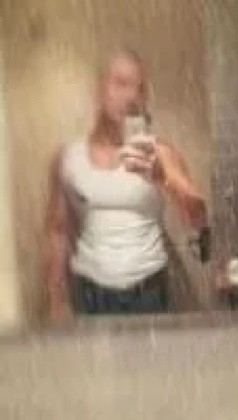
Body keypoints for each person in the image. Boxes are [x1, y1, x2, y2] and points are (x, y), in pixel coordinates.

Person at [43, 48, 208, 321]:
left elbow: (198, 218)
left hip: (148, 289)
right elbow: (57, 231)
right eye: (121, 84)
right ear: (100, 91)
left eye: (139, 89)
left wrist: (163, 177)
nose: (131, 96)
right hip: (89, 290)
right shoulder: (69, 157)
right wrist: (56, 301)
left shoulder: (160, 152)